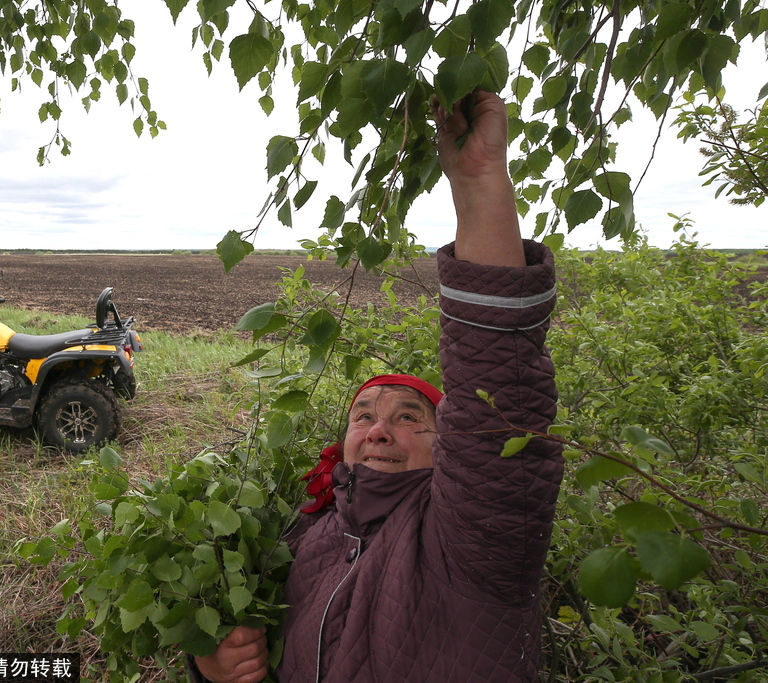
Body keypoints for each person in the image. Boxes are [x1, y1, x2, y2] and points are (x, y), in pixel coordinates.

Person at [190, 90, 563, 683]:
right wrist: (213, 666)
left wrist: (480, 182)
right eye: (362, 415)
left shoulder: (467, 539)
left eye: (410, 416)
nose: (379, 430)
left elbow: (497, 382)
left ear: (450, 443)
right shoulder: (301, 536)